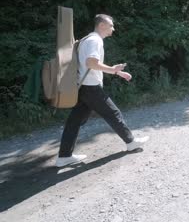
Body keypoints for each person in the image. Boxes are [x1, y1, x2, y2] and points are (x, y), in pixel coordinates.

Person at [56, 14, 149, 168]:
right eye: (111, 25)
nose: (113, 28)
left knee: (74, 121)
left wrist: (118, 72)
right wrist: (113, 70)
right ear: (101, 25)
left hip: (82, 86)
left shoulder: (86, 39)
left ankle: (64, 156)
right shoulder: (95, 40)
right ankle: (131, 142)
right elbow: (91, 63)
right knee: (113, 113)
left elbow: (89, 65)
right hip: (90, 87)